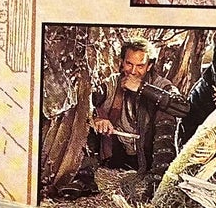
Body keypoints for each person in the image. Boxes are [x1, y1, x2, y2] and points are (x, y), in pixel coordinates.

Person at [80, 39, 187, 180]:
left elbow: (183, 107)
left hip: (151, 159)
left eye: (140, 66)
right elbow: (85, 101)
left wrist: (141, 88)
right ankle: (85, 174)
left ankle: (159, 177)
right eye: (129, 64)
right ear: (122, 62)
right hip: (118, 157)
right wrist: (97, 116)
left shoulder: (161, 85)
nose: (133, 71)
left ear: (149, 66)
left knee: (166, 112)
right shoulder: (112, 83)